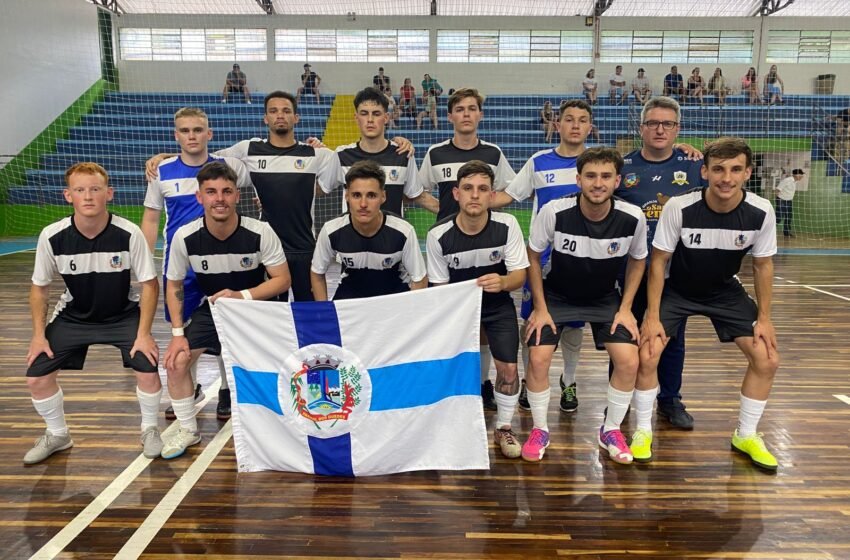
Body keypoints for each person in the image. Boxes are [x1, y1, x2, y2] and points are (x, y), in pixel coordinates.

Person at [636, 137, 780, 471]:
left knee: (767, 358)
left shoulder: (761, 211)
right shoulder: (680, 206)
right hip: (678, 288)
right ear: (705, 172)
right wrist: (652, 316)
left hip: (724, 290)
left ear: (747, 173)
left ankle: (746, 434)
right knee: (648, 351)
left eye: (735, 170)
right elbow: (658, 261)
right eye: (718, 169)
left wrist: (765, 318)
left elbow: (763, 265)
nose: (726, 178)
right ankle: (642, 431)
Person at [24, 162, 161, 464]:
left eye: (95, 189)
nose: (88, 196)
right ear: (68, 195)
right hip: (74, 315)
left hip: (122, 314)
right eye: (80, 190)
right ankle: (58, 434)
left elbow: (150, 285)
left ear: (109, 193)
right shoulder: (52, 235)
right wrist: (38, 336)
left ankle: (150, 429)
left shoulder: (129, 233)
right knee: (37, 376)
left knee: (148, 366)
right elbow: (39, 289)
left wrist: (144, 334)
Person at [524, 148, 648, 464]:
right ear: (578, 179)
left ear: (617, 181)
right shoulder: (554, 211)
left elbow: (638, 260)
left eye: (606, 176)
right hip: (558, 296)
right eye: (591, 176)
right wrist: (540, 307)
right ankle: (539, 430)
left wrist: (626, 309)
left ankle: (610, 430)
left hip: (604, 298)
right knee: (537, 358)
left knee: (629, 360)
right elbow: (533, 256)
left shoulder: (633, 217)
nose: (598, 183)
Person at [162, 161, 291, 459]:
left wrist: (241, 296)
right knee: (177, 361)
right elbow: (173, 285)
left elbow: (283, 279)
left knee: (277, 367)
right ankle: (187, 429)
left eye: (226, 191)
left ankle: (278, 425)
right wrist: (178, 334)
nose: (219, 198)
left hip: (257, 311)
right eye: (211, 192)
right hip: (215, 310)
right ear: (199, 197)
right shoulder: (185, 236)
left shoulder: (260, 232)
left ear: (237, 196)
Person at [141, 107, 252, 421]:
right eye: (185, 131)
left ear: (209, 134)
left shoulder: (227, 167)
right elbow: (151, 218)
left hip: (222, 261)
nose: (192, 136)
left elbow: (263, 164)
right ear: (176, 135)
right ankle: (189, 388)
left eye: (198, 130)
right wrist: (144, 262)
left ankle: (227, 389)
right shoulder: (161, 171)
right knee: (184, 330)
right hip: (180, 269)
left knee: (226, 326)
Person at [492, 99, 596, 415]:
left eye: (582, 120)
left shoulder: (598, 162)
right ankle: (529, 381)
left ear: (590, 126)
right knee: (532, 322)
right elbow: (509, 195)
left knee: (574, 327)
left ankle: (569, 380)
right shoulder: (539, 162)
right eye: (569, 119)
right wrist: (472, 200)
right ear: (557, 124)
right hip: (540, 260)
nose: (575, 125)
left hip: (583, 260)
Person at [418, 87, 516, 409]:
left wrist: (481, 207)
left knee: (485, 317)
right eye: (460, 109)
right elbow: (417, 191)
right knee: (453, 316)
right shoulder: (435, 153)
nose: (466, 114)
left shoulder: (493, 153)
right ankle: (454, 386)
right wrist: (443, 210)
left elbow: (511, 190)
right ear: (450, 116)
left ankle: (484, 382)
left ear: (480, 115)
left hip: (484, 240)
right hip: (449, 245)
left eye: (472, 108)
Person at [426, 160, 529, 459]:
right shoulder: (438, 235)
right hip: (457, 310)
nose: (475, 195)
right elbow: (439, 290)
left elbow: (519, 276)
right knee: (451, 369)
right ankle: (450, 426)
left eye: (483, 189)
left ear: (492, 195)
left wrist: (504, 281)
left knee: (509, 369)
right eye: (468, 188)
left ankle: (504, 427)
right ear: (456, 193)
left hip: (497, 306)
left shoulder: (507, 225)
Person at [617, 96, 706, 430]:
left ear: (677, 129)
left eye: (667, 124)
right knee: (625, 334)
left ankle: (669, 399)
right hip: (632, 268)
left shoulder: (695, 166)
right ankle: (621, 397)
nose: (659, 129)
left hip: (676, 270)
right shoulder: (623, 167)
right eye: (653, 123)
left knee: (671, 337)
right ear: (641, 128)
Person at [312, 161, 427, 301]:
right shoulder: (331, 230)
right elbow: (317, 273)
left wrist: (411, 312)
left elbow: (419, 279)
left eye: (371, 195)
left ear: (383, 196)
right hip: (351, 299)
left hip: (394, 298)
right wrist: (324, 310)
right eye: (356, 195)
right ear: (347, 196)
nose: (363, 204)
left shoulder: (404, 231)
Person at [336, 88, 438, 217]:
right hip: (351, 230)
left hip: (394, 230)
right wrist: (316, 147)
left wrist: (456, 215)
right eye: (364, 113)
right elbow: (320, 188)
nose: (370, 119)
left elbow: (417, 196)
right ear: (356, 118)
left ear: (386, 118)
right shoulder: (340, 155)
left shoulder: (403, 154)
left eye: (376, 114)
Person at [774, 168, 804, 237]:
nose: (802, 177)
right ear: (797, 175)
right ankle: (768, 231)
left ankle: (786, 233)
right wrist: (778, 201)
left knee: (788, 217)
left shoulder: (795, 181)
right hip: (782, 201)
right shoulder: (787, 180)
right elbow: (778, 189)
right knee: (778, 218)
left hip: (789, 201)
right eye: (801, 175)